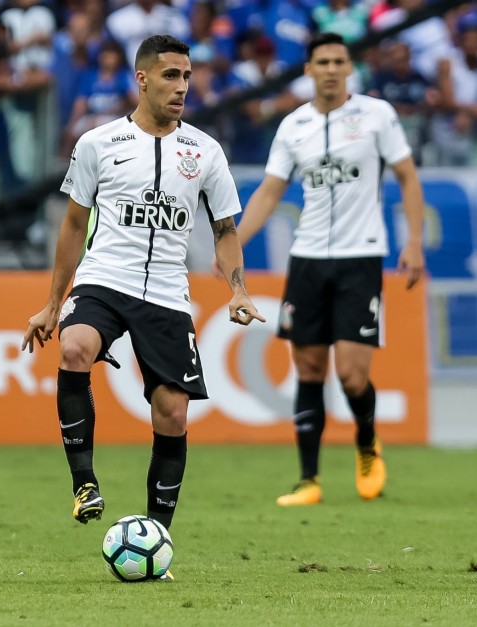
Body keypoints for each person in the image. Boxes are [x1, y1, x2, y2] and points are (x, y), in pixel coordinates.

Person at [22, 34, 264, 579]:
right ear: (143, 79)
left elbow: (225, 229)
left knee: (173, 412)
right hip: (105, 277)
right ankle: (84, 483)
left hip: (165, 294)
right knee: (75, 347)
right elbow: (72, 225)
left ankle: (158, 536)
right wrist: (51, 303)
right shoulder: (97, 144)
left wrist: (238, 289)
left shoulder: (204, 151)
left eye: (187, 76)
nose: (182, 87)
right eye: (171, 75)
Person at [234, 32, 425, 506]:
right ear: (309, 69)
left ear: (349, 68)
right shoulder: (293, 125)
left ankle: (366, 443)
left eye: (340, 61)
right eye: (323, 61)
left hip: (362, 257)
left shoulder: (377, 115)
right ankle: (309, 480)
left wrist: (415, 242)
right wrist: (232, 244)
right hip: (308, 260)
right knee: (309, 369)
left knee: (353, 375)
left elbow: (407, 176)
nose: (333, 68)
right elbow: (269, 192)